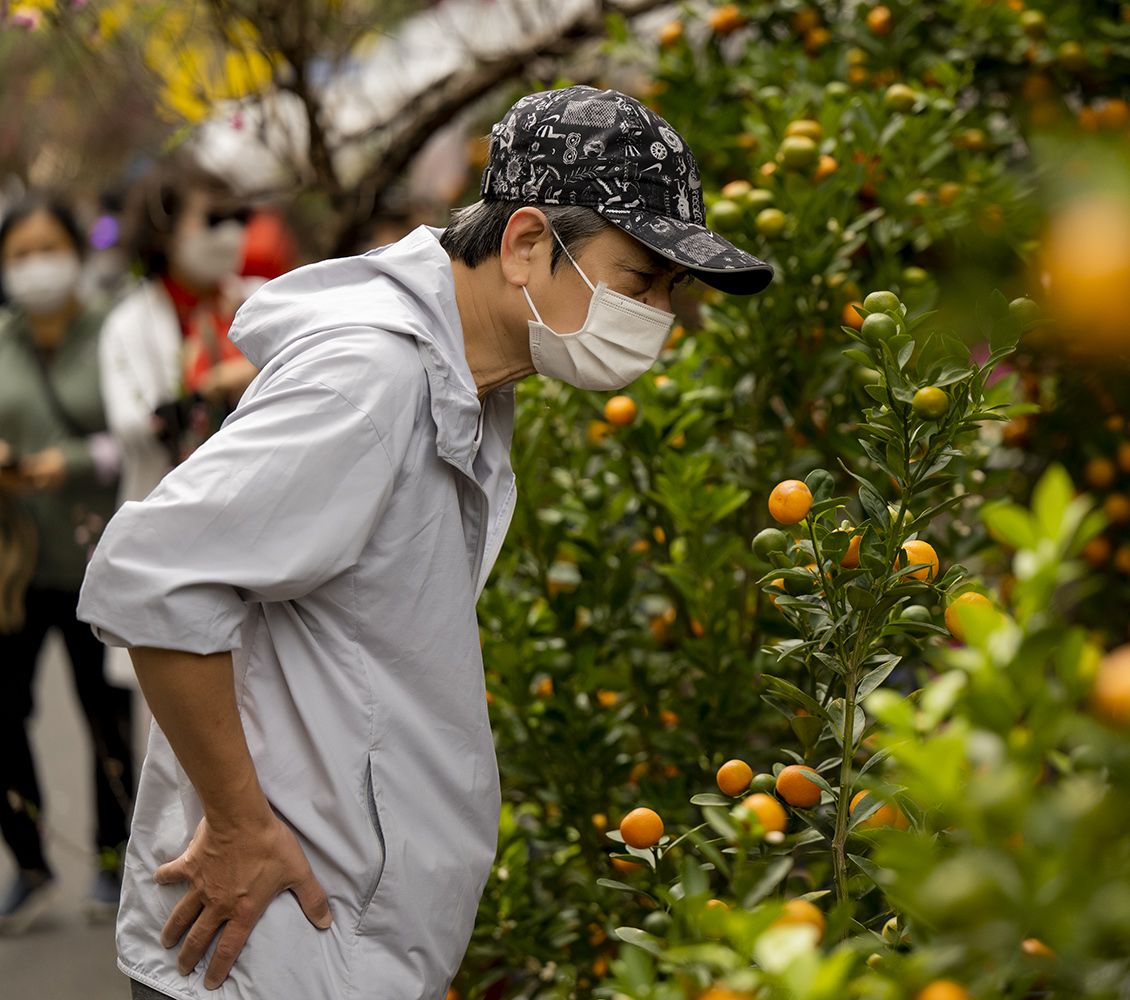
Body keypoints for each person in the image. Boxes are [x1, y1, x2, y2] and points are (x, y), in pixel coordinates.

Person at [77, 86, 772, 1000]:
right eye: (642, 281)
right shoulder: (372, 380)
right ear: (526, 245)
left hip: (342, 943)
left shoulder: (468, 383)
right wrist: (241, 824)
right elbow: (152, 577)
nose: (662, 316)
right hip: (273, 953)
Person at [0, 196, 134, 932]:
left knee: (108, 723)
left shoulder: (113, 330)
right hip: (15, 571)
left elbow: (140, 428)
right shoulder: (0, 338)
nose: (35, 266)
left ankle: (116, 868)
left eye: (48, 248)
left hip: (100, 559)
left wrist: (71, 460)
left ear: (77, 253)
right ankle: (29, 859)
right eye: (19, 255)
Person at [101, 156, 259, 505]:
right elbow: (133, 427)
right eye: (214, 219)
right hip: (166, 504)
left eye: (239, 218)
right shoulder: (128, 325)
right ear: (163, 232)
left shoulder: (263, 297)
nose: (230, 232)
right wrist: (209, 391)